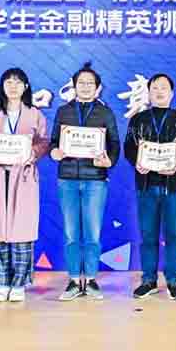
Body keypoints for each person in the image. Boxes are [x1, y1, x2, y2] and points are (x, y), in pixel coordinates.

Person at [49, 62, 121, 301]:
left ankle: (90, 279)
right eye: (81, 83)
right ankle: (72, 280)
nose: (86, 86)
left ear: (98, 88)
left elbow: (114, 144)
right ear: (74, 86)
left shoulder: (105, 112)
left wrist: (109, 160)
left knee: (92, 233)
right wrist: (54, 152)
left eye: (91, 83)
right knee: (71, 233)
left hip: (95, 180)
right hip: (67, 179)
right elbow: (53, 141)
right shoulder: (63, 111)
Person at [0, 68, 49, 302]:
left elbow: (43, 142)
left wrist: (32, 154)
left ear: (26, 87)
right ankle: (1, 282)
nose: (13, 86)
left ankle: (19, 284)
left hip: (23, 176)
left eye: (18, 82)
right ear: (2, 86)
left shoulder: (35, 115)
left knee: (22, 231)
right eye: (8, 82)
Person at [124, 73, 176, 300]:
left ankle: (173, 279)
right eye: (154, 88)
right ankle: (148, 279)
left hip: (174, 186)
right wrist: (137, 162)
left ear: (172, 93)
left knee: (174, 233)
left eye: (163, 88)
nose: (159, 91)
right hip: (146, 185)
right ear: (148, 92)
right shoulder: (138, 119)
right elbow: (129, 148)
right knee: (148, 234)